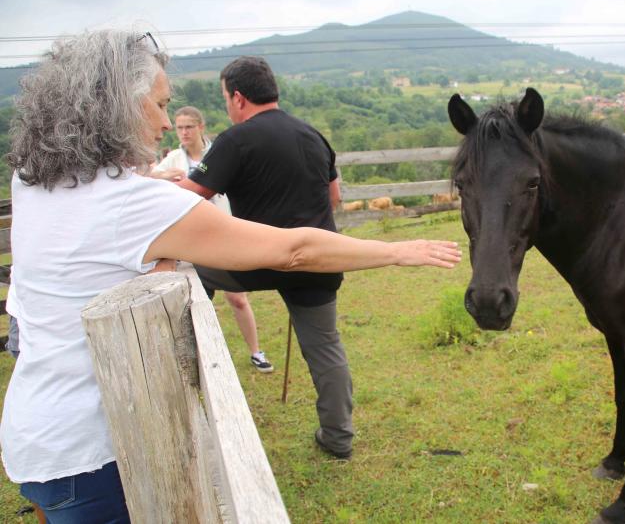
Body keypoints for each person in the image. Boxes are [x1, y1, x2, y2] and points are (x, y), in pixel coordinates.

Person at [1, 29, 460, 523]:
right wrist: (393, 251)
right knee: (324, 349)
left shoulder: (31, 181)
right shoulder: (138, 204)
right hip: (96, 449)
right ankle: (337, 433)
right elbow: (296, 246)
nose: (163, 122)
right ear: (118, 106)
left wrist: (166, 255)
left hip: (33, 435)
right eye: (157, 105)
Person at [175, 56, 361, 460]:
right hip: (317, 260)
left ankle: (185, 360)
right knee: (326, 348)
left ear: (238, 97)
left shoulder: (235, 140)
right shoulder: (313, 135)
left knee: (192, 269)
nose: (227, 105)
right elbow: (333, 198)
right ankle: (339, 438)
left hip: (255, 261)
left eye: (226, 97)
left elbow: (189, 195)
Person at [152, 106, 272, 373]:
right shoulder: (173, 159)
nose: (183, 132)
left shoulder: (218, 153)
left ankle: (256, 351)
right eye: (179, 127)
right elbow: (148, 180)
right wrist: (165, 176)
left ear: (200, 127)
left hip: (223, 235)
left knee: (238, 298)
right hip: (190, 243)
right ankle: (200, 360)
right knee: (194, 300)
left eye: (188, 127)